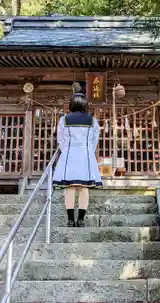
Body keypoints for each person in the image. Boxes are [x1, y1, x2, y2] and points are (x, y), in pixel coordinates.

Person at [53, 93, 102, 227]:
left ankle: (70, 220)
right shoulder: (93, 121)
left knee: (70, 187)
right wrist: (87, 151)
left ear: (72, 104)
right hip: (85, 155)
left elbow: (60, 140)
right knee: (84, 188)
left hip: (69, 155)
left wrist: (67, 150)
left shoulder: (64, 120)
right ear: (85, 105)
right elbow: (94, 142)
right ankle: (80, 220)